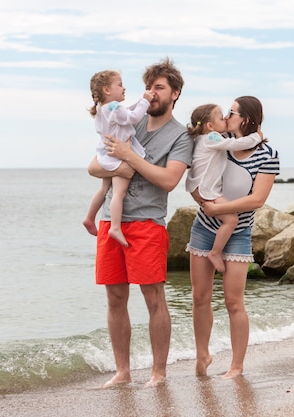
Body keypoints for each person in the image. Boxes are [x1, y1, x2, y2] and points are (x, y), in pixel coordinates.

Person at [87, 58, 193, 387]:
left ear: (175, 93)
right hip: (110, 221)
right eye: (149, 87)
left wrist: (128, 158)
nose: (152, 93)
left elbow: (168, 180)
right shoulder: (126, 119)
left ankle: (159, 373)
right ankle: (122, 372)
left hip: (147, 223)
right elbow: (93, 166)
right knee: (115, 299)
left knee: (154, 298)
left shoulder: (181, 137)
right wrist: (120, 166)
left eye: (159, 88)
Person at [187, 96, 279, 379]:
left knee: (233, 302)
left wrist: (220, 209)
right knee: (200, 298)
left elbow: (257, 200)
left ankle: (236, 366)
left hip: (238, 233)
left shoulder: (268, 155)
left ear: (247, 119)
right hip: (203, 228)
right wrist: (205, 205)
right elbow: (196, 176)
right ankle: (202, 356)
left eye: (232, 112)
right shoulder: (218, 143)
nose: (226, 115)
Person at [185, 103, 264, 273]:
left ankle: (215, 251)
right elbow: (235, 144)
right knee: (232, 220)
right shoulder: (212, 138)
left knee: (229, 219)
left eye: (229, 114)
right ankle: (215, 252)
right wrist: (257, 137)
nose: (226, 119)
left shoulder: (202, 138)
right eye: (222, 117)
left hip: (199, 187)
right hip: (207, 190)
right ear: (210, 126)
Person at [83, 70, 155, 247]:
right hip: (118, 156)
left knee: (104, 189)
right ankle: (115, 227)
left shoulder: (106, 109)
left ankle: (89, 218)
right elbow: (134, 117)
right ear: (107, 90)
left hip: (106, 154)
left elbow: (128, 111)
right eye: (120, 84)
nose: (124, 88)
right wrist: (145, 100)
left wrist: (141, 101)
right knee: (118, 193)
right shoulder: (114, 107)